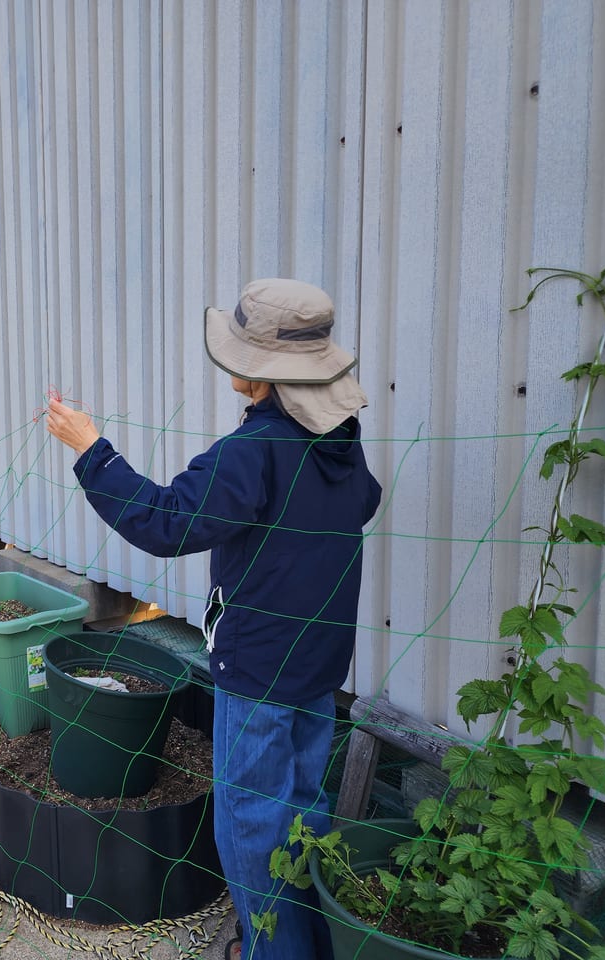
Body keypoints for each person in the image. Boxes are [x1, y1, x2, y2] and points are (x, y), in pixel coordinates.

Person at [46, 278, 381, 960]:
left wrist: (91, 450)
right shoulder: (339, 440)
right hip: (320, 663)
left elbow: (166, 522)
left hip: (258, 668)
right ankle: (312, 945)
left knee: (250, 827)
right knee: (304, 811)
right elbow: (364, 503)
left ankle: (273, 953)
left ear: (257, 371)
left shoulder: (254, 451)